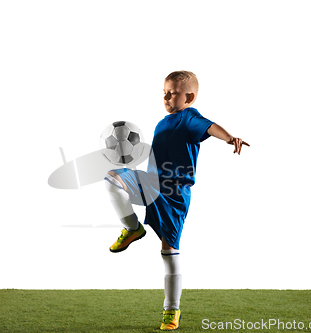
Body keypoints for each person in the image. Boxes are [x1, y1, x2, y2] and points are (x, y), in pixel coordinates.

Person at [103, 70, 249, 331]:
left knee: (168, 252)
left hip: (174, 193)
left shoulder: (189, 118)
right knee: (113, 179)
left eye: (172, 92)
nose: (166, 97)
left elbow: (210, 125)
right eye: (164, 92)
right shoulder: (162, 122)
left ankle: (171, 311)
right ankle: (133, 228)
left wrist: (228, 138)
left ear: (189, 96)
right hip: (150, 182)